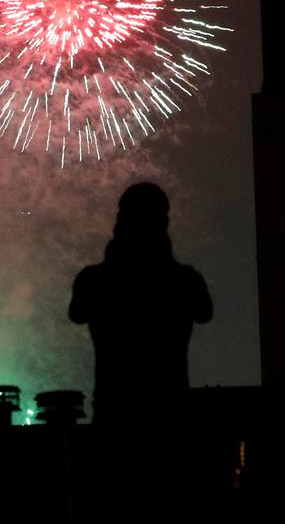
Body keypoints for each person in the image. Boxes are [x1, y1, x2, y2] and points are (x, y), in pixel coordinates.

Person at [69, 182, 212, 425]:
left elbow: (77, 313)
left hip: (113, 411)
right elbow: (204, 313)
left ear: (120, 220)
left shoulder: (93, 280)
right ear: (163, 222)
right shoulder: (185, 280)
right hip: (171, 411)